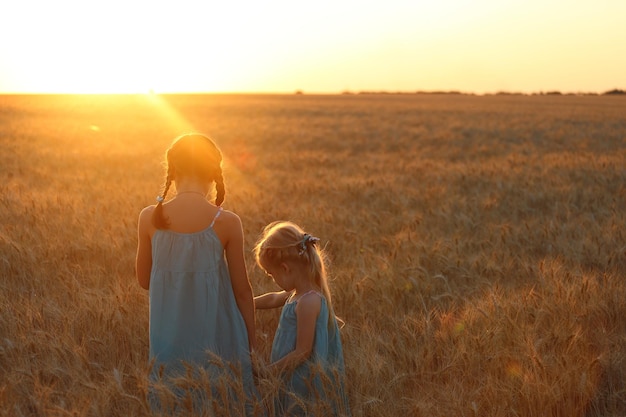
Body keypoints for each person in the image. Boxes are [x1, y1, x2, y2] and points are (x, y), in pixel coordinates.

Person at [135, 133, 260, 415]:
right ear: (213, 172)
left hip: (168, 343)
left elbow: (144, 281)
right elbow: (243, 292)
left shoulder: (149, 218)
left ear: (173, 171)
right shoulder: (226, 222)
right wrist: (252, 347)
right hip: (220, 341)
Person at [254, 221, 350, 416]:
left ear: (285, 268)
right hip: (288, 373)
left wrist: (268, 372)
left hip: (300, 378)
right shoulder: (297, 294)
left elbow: (302, 352)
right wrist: (245, 302)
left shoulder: (308, 301)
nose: (273, 280)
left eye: (272, 274)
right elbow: (273, 298)